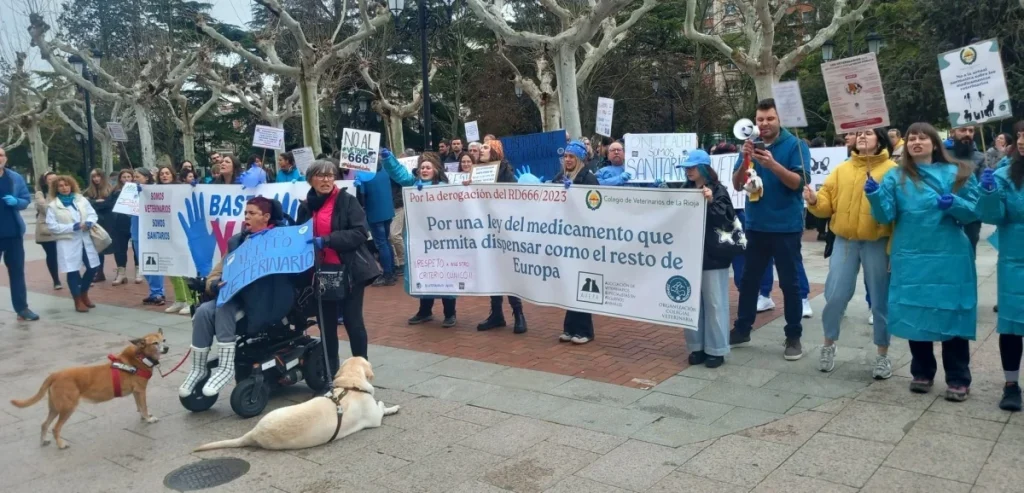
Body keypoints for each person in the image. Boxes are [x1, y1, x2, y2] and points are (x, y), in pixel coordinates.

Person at [866, 122, 979, 401]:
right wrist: (874, 195)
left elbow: (974, 212)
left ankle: (958, 377)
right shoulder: (896, 177)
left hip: (950, 255)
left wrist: (953, 203)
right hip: (911, 254)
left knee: (952, 311)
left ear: (935, 142)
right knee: (916, 312)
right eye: (912, 138)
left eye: (922, 137)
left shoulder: (959, 172)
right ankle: (922, 372)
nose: (917, 142)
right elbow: (885, 216)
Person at [178, 197, 296, 397]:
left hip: (263, 302)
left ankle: (226, 368)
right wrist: (214, 284)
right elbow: (215, 273)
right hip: (233, 296)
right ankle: (198, 369)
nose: (246, 217)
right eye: (245, 213)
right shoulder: (237, 241)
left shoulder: (279, 242)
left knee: (223, 308)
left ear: (266, 217)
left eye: (252, 213)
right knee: (203, 312)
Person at [805, 128, 897, 378]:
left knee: (880, 300)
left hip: (877, 242)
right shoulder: (842, 169)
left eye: (868, 132)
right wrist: (814, 201)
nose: (862, 136)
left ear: (880, 138)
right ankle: (828, 345)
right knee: (834, 295)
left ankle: (882, 354)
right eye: (858, 133)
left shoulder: (892, 171)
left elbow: (894, 214)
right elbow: (826, 205)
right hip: (845, 241)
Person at [729, 99, 812, 361]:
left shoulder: (796, 146)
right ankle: (742, 329)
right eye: (760, 119)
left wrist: (772, 165)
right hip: (756, 225)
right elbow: (737, 184)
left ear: (779, 120)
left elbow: (799, 183)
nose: (764, 124)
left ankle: (794, 335)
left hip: (786, 227)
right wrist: (745, 160)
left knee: (789, 283)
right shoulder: (750, 144)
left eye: (769, 119)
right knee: (749, 281)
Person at [296, 160, 380, 375]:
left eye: (330, 175)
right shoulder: (305, 206)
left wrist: (328, 240)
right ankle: (330, 373)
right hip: (321, 272)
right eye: (321, 175)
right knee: (327, 324)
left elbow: (360, 232)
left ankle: (361, 371)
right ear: (310, 179)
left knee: (353, 321)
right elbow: (298, 235)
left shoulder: (346, 201)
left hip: (349, 270)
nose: (326, 180)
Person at [380, 150, 459, 327]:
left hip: (441, 242)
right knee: (424, 273)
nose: (424, 170)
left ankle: (450, 313)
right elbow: (399, 173)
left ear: (436, 170)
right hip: (420, 241)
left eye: (427, 167)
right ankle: (425, 311)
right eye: (422, 167)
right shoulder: (413, 185)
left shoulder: (446, 188)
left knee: (444, 275)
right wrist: (388, 158)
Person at [978, 126, 1024, 410]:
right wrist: (989, 193)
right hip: (1014, 261)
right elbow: (994, 216)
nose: (1021, 141)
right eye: (1020, 136)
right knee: (1012, 325)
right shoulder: (1005, 174)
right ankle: (1011, 384)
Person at [681, 150, 741, 368]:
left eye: (692, 167)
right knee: (691, 303)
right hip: (690, 255)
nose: (688, 171)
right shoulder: (684, 190)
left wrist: (712, 201)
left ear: (704, 168)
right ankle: (696, 346)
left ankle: (716, 349)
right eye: (686, 168)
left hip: (713, 256)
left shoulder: (719, 191)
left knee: (715, 303)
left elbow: (726, 221)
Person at [476, 140, 527, 333]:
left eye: (486, 147)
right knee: (492, 271)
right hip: (485, 230)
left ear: (496, 152)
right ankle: (496, 313)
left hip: (504, 230)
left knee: (508, 272)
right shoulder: (477, 171)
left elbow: (514, 198)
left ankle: (519, 314)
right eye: (481, 147)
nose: (482, 150)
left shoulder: (506, 172)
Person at [553, 141, 599, 344]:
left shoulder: (588, 178)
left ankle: (585, 330)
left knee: (582, 284)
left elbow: (596, 206)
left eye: (572, 157)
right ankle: (570, 327)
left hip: (582, 240)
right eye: (566, 157)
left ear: (580, 159)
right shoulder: (559, 177)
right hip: (565, 239)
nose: (568, 160)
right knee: (570, 283)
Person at [44, 175, 100, 313]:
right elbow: (52, 226)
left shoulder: (81, 200)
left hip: (84, 238)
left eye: (66, 185)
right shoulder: (53, 206)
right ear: (56, 189)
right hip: (67, 241)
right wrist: (71, 227)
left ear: (72, 185)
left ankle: (83, 292)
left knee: (93, 267)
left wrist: (89, 222)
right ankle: (77, 300)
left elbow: (93, 214)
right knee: (72, 269)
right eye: (61, 186)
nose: (64, 188)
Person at [0, 147, 38, 321]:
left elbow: (25, 200)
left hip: (13, 232)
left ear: (5, 158)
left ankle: (22, 308)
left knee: (17, 272)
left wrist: (17, 202)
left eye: (0, 155)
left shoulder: (14, 178)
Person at [355, 159, 397, 287]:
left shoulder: (364, 174)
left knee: (381, 244)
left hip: (374, 212)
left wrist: (357, 185)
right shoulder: (384, 170)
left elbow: (361, 196)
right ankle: (392, 271)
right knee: (386, 241)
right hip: (388, 211)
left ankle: (387, 274)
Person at [946, 126, 986, 259]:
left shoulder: (980, 157)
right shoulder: (943, 155)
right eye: (962, 130)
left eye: (971, 131)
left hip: (971, 216)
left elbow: (982, 190)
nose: (967, 134)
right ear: (953, 132)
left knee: (969, 255)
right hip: (946, 212)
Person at [156, 166, 191, 315]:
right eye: (162, 174)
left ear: (172, 174)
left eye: (167, 173)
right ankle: (179, 299)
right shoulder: (154, 191)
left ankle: (191, 301)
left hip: (181, 231)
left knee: (185, 267)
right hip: (164, 232)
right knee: (171, 266)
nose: (164, 176)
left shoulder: (181, 189)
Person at [131, 168, 166, 305]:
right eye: (134, 176)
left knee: (153, 262)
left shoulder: (155, 190)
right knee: (144, 263)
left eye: (137, 176)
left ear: (146, 178)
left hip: (151, 231)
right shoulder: (131, 191)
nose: (135, 179)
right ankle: (153, 291)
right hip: (136, 230)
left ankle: (158, 292)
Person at [109, 169, 140, 285]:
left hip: (134, 222)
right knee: (120, 249)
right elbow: (110, 205)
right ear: (120, 179)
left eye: (129, 176)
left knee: (136, 248)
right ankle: (121, 273)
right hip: (120, 224)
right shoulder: (115, 191)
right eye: (124, 177)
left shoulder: (139, 189)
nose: (126, 179)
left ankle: (138, 271)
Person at [83, 168, 113, 282]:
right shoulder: (88, 191)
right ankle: (99, 272)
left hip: (109, 221)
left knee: (115, 247)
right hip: (96, 222)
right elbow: (85, 204)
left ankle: (121, 271)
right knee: (98, 247)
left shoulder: (110, 189)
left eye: (98, 176)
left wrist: (96, 203)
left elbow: (109, 204)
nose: (96, 179)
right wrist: (96, 202)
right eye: (93, 177)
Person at [34, 172, 62, 290]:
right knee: (52, 254)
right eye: (50, 179)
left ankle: (77, 277)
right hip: (47, 229)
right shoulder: (41, 193)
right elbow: (45, 208)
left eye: (55, 179)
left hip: (63, 227)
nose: (53, 181)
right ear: (45, 181)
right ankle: (56, 280)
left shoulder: (64, 190)